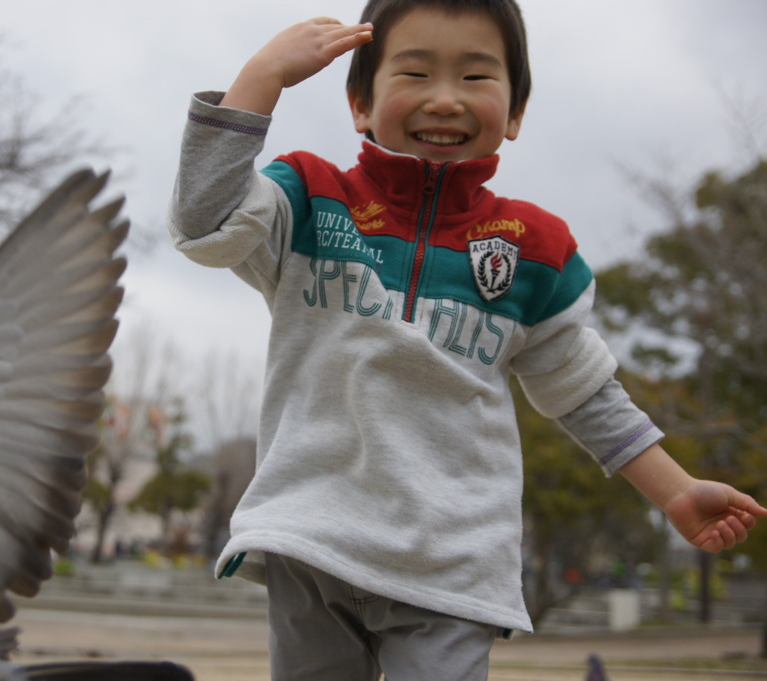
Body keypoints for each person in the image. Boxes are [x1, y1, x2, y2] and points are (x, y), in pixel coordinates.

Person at [167, 1, 767, 679]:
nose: (445, 99)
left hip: (450, 563)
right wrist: (262, 76)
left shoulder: (537, 251)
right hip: (312, 540)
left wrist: (675, 490)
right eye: (415, 72)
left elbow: (583, 391)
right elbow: (204, 221)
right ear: (360, 101)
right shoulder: (307, 198)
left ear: (514, 112)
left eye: (477, 77)